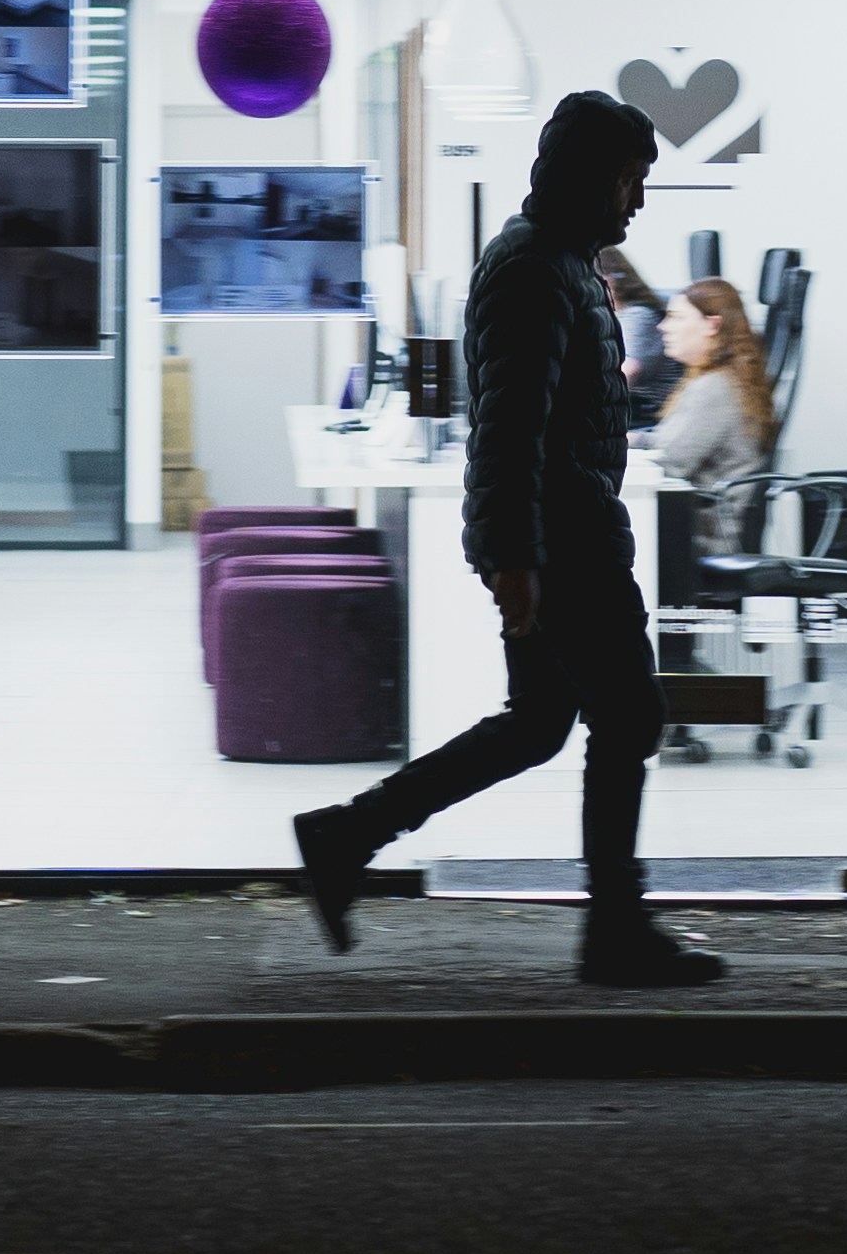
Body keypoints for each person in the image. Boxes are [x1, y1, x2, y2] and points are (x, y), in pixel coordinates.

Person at [292, 91, 721, 987]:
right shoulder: (535, 269)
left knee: (537, 724)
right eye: (629, 179)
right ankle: (613, 934)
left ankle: (347, 834)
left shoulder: (559, 263)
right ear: (588, 176)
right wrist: (512, 559)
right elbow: (508, 431)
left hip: (565, 529)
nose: (637, 200)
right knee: (626, 718)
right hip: (565, 541)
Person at [646, 275, 777, 534]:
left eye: (677, 317)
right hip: (702, 526)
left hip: (704, 535)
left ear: (712, 325)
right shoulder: (718, 380)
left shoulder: (714, 388)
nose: (664, 327)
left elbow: (671, 461)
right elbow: (670, 444)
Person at [598, 247, 681, 424]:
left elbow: (627, 372)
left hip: (649, 413)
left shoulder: (638, 315)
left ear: (611, 280)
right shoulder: (613, 317)